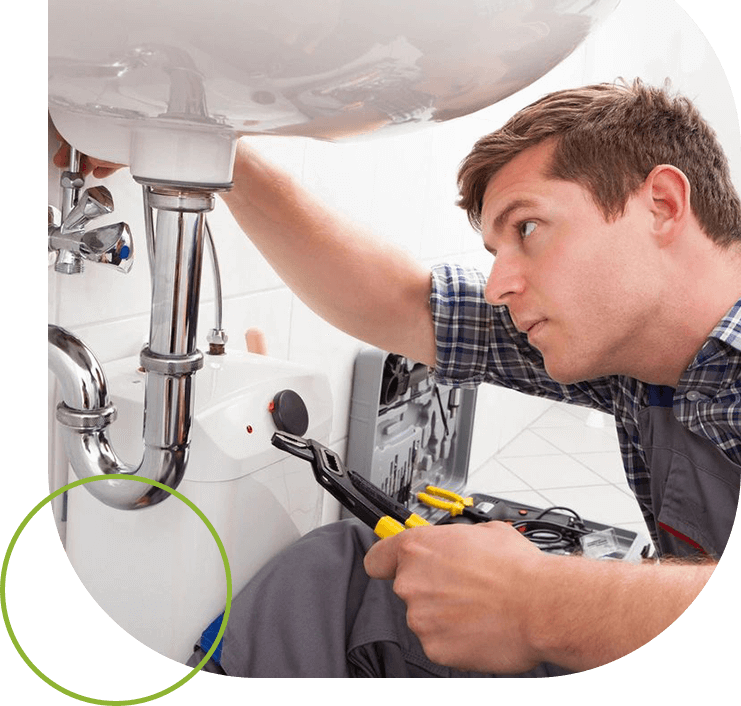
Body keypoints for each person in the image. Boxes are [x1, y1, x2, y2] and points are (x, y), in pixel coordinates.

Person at [52, 79, 740, 676]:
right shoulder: (635, 359)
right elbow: (407, 304)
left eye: (527, 228)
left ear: (661, 204)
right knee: (351, 577)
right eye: (495, 249)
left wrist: (539, 602)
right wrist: (210, 156)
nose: (499, 283)